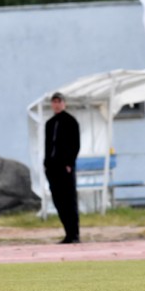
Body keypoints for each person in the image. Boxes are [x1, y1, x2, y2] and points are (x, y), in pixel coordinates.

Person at [44, 92, 81, 244]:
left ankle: (74, 234)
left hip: (65, 168)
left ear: (64, 103)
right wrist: (46, 164)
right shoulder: (50, 123)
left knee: (69, 200)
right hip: (52, 168)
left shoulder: (71, 121)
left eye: (59, 101)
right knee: (58, 200)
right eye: (54, 102)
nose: (57, 104)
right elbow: (48, 145)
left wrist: (69, 163)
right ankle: (67, 232)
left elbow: (75, 144)